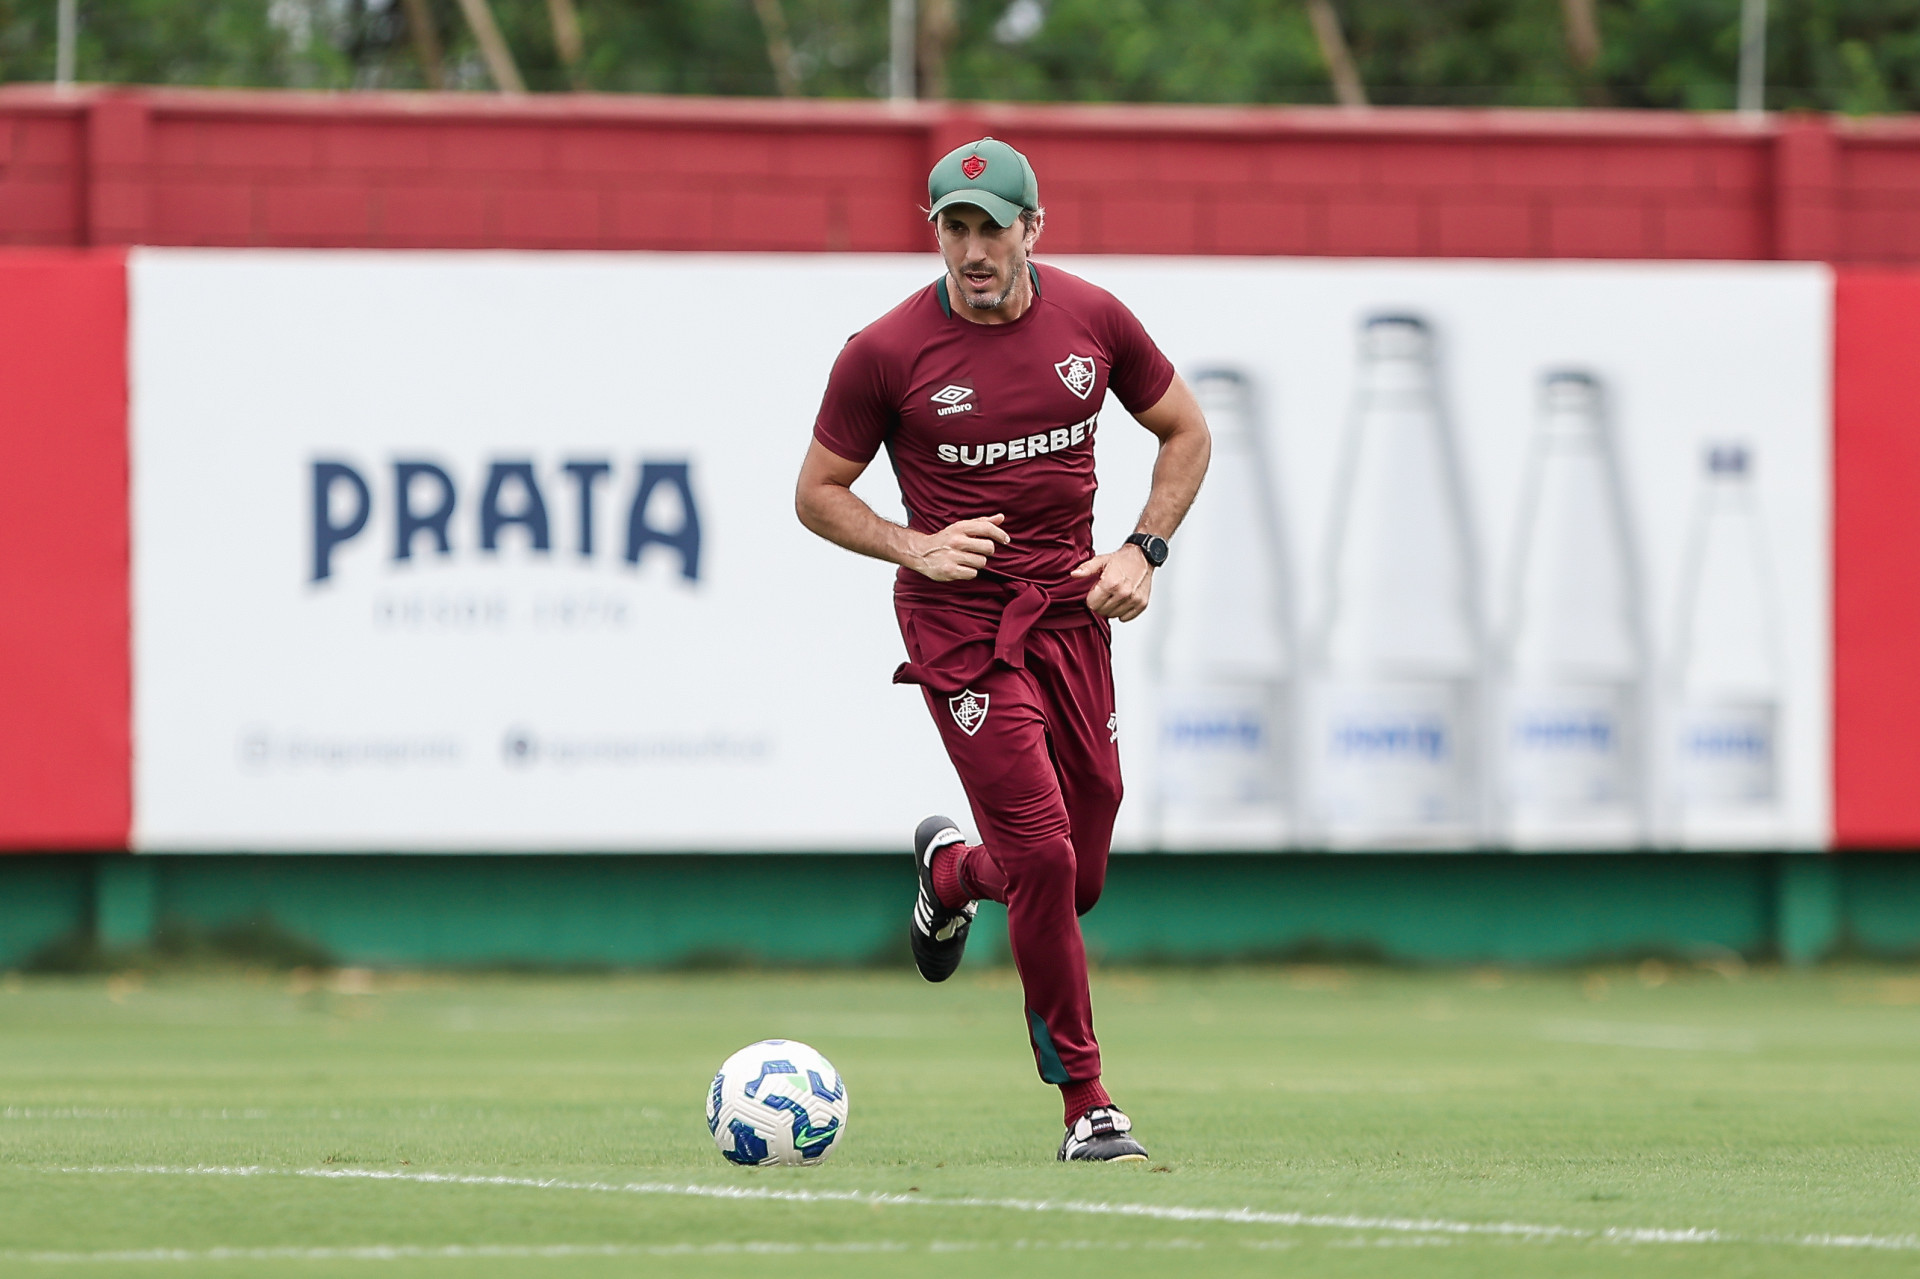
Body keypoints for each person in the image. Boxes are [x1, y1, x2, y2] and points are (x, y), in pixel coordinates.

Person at [795, 137, 1211, 1162]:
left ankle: (951, 874)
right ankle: (1088, 1102)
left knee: (1075, 874)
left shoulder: (1093, 320)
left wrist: (1143, 549)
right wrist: (915, 545)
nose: (973, 249)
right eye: (955, 227)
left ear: (1033, 228)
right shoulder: (884, 352)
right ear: (935, 232)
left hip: (1069, 613)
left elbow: (1186, 432)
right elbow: (817, 494)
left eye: (992, 227)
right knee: (1042, 854)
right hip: (959, 628)